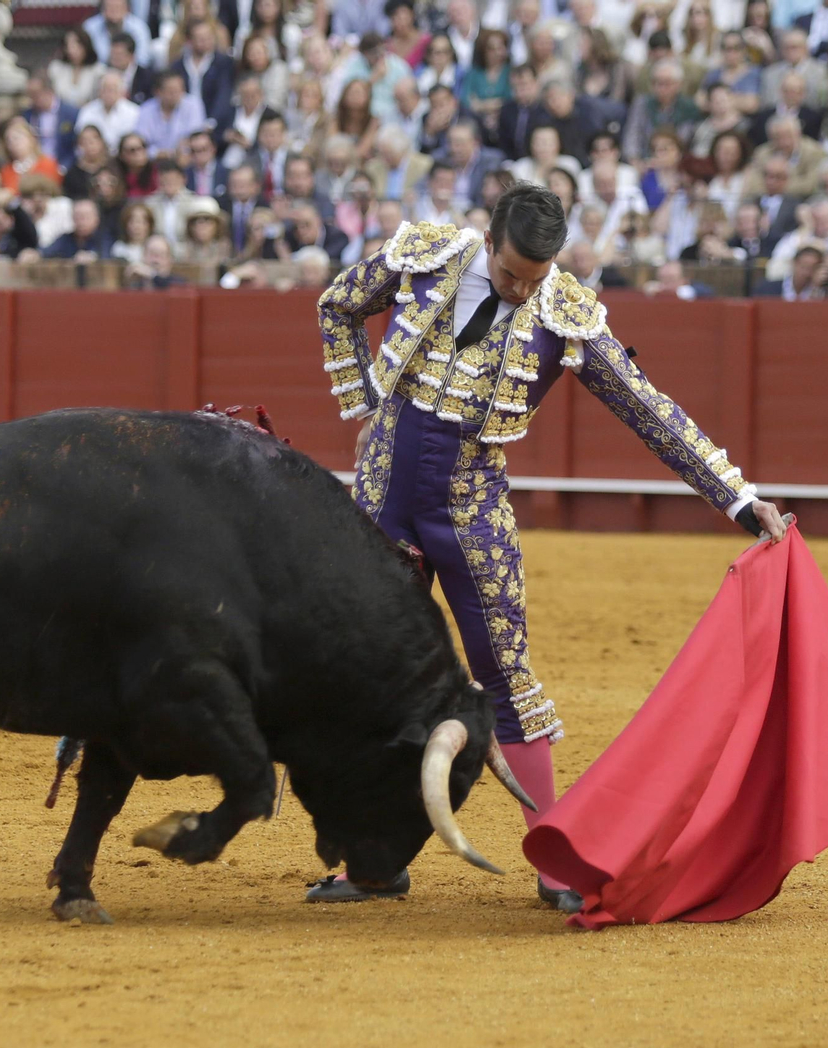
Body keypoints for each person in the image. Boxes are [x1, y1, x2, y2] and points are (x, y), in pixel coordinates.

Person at [312, 182, 786, 908]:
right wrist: (366, 406)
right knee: (369, 679)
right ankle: (372, 862)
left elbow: (647, 408)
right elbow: (338, 303)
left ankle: (556, 863)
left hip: (469, 512)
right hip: (382, 505)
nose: (519, 291)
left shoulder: (563, 310)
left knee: (507, 678)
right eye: (509, 276)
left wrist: (738, 497)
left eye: (534, 280)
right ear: (488, 240)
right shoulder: (429, 256)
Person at [76, 71, 140, 154]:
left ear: (122, 91)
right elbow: (81, 141)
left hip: (123, 159)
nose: (109, 93)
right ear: (99, 90)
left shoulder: (134, 112)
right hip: (95, 158)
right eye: (105, 88)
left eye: (113, 89)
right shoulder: (87, 111)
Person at [43, 196, 115, 259]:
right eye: (77, 216)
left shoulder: (105, 238)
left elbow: (107, 254)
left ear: (97, 218)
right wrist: (35, 254)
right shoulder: (66, 239)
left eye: (86, 216)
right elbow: (46, 252)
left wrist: (92, 257)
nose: (81, 221)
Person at [754, 242, 824, 298]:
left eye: (811, 268)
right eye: (803, 266)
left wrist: (815, 289)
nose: (806, 273)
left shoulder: (821, 293)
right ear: (794, 263)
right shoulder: (766, 289)